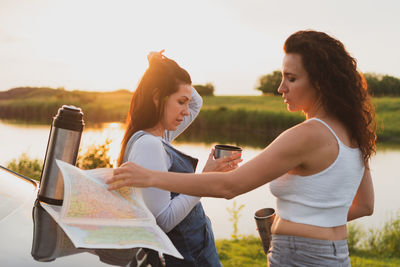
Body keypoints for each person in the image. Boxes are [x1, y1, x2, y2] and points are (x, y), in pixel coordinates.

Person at [108, 30, 376, 266]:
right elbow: (365, 206)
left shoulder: (307, 135)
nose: (280, 87)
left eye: (291, 79)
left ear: (320, 83)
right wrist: (309, 223)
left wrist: (150, 177)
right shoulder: (353, 131)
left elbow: (230, 186)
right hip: (336, 254)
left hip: (299, 256)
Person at [117, 50, 241, 267]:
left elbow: (197, 102)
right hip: (188, 259)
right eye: (180, 102)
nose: (186, 111)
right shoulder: (149, 145)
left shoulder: (160, 135)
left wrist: (159, 68)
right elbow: (163, 221)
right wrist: (205, 177)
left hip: (196, 252)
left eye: (186, 102)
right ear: (157, 98)